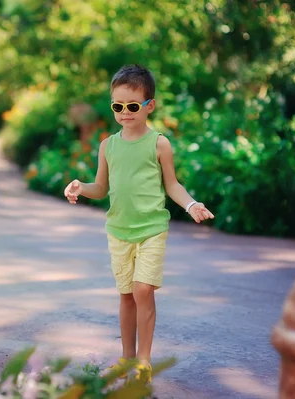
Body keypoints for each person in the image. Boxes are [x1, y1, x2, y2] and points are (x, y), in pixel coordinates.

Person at [63, 64, 214, 383]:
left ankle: (144, 360)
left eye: (132, 106)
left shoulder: (159, 144)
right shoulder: (108, 146)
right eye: (117, 106)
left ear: (150, 106)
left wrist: (191, 204)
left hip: (151, 229)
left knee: (143, 289)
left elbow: (172, 185)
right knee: (126, 295)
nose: (124, 112)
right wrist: (80, 186)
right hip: (118, 232)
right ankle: (126, 358)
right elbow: (101, 187)